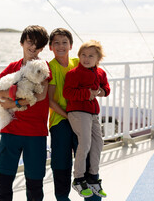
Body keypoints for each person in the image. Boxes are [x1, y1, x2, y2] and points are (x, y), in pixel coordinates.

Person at [0, 25, 52, 201]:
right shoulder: (12, 67)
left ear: (42, 48)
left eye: (38, 45)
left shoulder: (43, 67)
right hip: (11, 130)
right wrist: (12, 95)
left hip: (35, 132)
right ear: (22, 42)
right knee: (2, 180)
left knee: (34, 185)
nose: (33, 48)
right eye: (30, 42)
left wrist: (13, 102)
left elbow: (40, 96)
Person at [48, 28, 102, 201]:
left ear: (71, 45)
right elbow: (50, 100)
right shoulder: (50, 67)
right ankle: (62, 197)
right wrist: (67, 116)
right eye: (56, 42)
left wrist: (101, 91)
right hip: (61, 119)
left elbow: (98, 78)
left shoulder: (79, 62)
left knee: (88, 152)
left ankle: (93, 195)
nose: (61, 46)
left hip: (83, 116)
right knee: (62, 162)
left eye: (64, 42)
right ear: (50, 46)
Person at [63, 40, 110, 198]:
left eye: (91, 56)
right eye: (83, 55)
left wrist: (100, 92)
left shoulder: (100, 73)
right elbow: (67, 93)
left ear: (98, 59)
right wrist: (87, 94)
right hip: (78, 111)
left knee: (98, 142)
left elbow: (106, 89)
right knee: (85, 142)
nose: (86, 58)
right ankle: (79, 178)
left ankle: (93, 177)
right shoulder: (74, 73)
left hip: (92, 112)